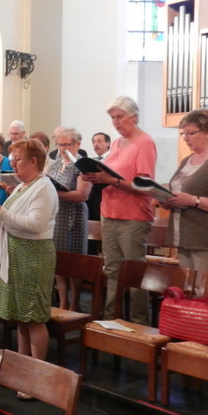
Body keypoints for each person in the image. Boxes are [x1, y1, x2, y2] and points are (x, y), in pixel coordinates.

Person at [0, 138, 58, 392]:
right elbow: (9, 221)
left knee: (34, 317)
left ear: (33, 161)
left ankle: (37, 377)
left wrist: (0, 213)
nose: (13, 164)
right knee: (21, 317)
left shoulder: (44, 187)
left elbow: (36, 224)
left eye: (17, 159)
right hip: (16, 253)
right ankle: (22, 368)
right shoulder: (23, 187)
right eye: (12, 159)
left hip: (33, 256)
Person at [82, 96, 156, 325]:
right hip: (109, 212)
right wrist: (96, 176)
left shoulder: (144, 142)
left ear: (134, 117)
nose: (115, 122)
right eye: (113, 118)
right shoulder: (115, 143)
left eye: (119, 117)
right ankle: (111, 320)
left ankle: (139, 323)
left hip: (133, 215)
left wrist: (111, 180)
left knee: (133, 271)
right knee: (112, 269)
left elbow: (146, 185)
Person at [160, 109, 208, 270]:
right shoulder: (187, 160)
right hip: (184, 237)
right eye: (183, 134)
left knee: (203, 285)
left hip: (206, 239)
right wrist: (168, 201)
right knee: (188, 285)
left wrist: (194, 201)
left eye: (191, 133)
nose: (185, 138)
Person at [48, 127, 92, 311]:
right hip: (57, 216)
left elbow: (82, 194)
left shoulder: (82, 165)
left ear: (77, 144)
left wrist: (55, 193)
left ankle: (75, 303)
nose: (62, 149)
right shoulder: (56, 164)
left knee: (74, 261)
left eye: (66, 145)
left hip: (74, 216)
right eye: (59, 145)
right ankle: (63, 301)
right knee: (58, 260)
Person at [87, 132, 111, 255]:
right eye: (94, 142)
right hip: (91, 201)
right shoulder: (92, 161)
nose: (96, 144)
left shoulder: (112, 160)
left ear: (108, 143)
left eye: (99, 141)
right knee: (90, 237)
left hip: (106, 201)